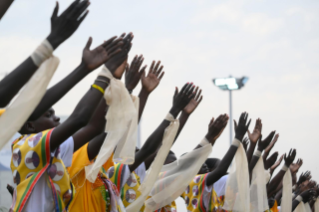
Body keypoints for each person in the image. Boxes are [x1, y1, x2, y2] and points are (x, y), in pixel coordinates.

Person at [9, 26, 127, 211]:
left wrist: (113, 78)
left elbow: (94, 127)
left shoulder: (52, 153)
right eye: (48, 115)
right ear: (29, 125)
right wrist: (104, 75)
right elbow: (79, 119)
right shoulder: (26, 147)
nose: (56, 119)